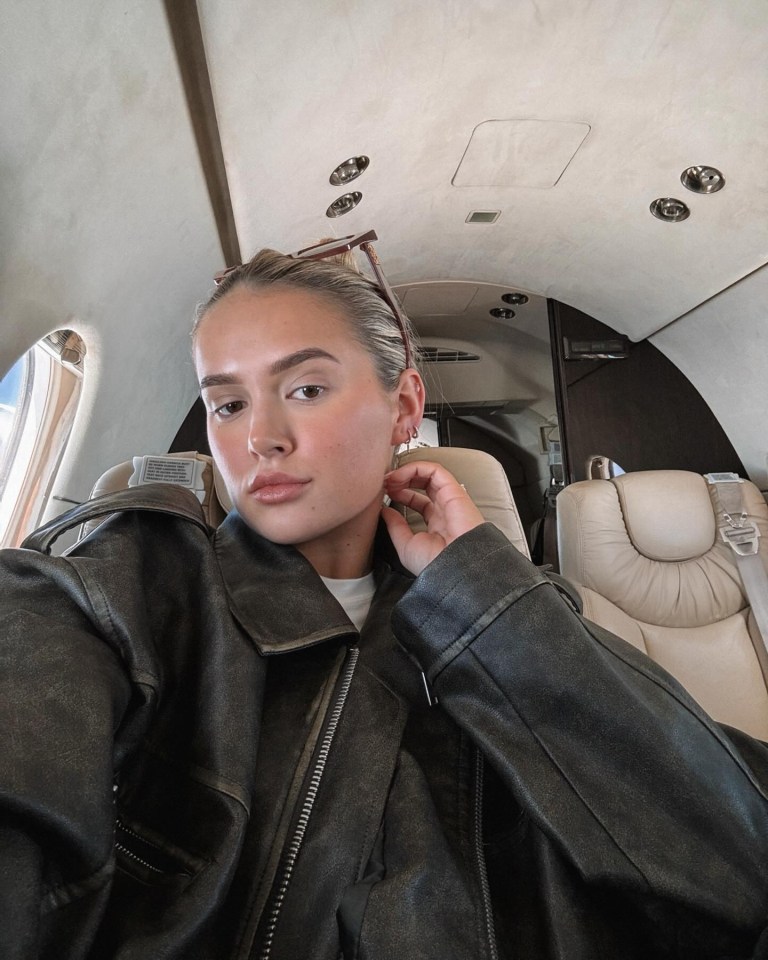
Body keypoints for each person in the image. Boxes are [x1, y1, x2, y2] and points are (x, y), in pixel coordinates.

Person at [1, 232, 768, 960]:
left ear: (404, 406)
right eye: (228, 404)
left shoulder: (520, 615)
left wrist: (483, 596)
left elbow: (735, 860)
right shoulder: (131, 586)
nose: (259, 436)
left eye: (304, 387)